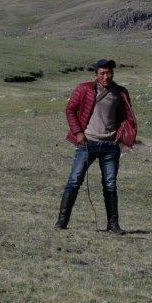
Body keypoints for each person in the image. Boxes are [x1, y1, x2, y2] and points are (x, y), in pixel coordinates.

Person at [55, 59, 138, 233]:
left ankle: (113, 224)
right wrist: (78, 133)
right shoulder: (84, 89)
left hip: (110, 145)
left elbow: (126, 117)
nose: (106, 76)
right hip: (87, 143)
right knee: (74, 180)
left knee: (110, 184)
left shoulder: (120, 92)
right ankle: (62, 221)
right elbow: (70, 110)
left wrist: (122, 138)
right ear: (96, 74)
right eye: (102, 73)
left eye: (109, 73)